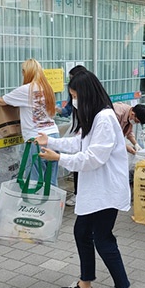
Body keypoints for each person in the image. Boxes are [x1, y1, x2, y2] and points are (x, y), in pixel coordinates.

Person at [35, 70, 133, 288]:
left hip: (107, 190)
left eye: (74, 96)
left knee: (103, 238)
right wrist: (51, 141)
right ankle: (85, 283)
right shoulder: (94, 117)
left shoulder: (105, 118)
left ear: (86, 94)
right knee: (81, 231)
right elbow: (78, 142)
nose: (73, 101)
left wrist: (58, 158)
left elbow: (93, 158)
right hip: (96, 189)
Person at [0, 59, 60, 186]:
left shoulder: (26, 90)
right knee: (51, 181)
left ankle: (38, 206)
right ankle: (54, 206)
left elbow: (0, 101)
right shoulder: (48, 89)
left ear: (26, 72)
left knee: (35, 182)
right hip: (53, 136)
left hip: (36, 139)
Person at [58, 65, 89, 206]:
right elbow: (69, 109)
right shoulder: (76, 96)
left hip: (81, 132)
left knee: (80, 163)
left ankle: (79, 194)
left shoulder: (97, 112)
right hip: (78, 130)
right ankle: (80, 193)